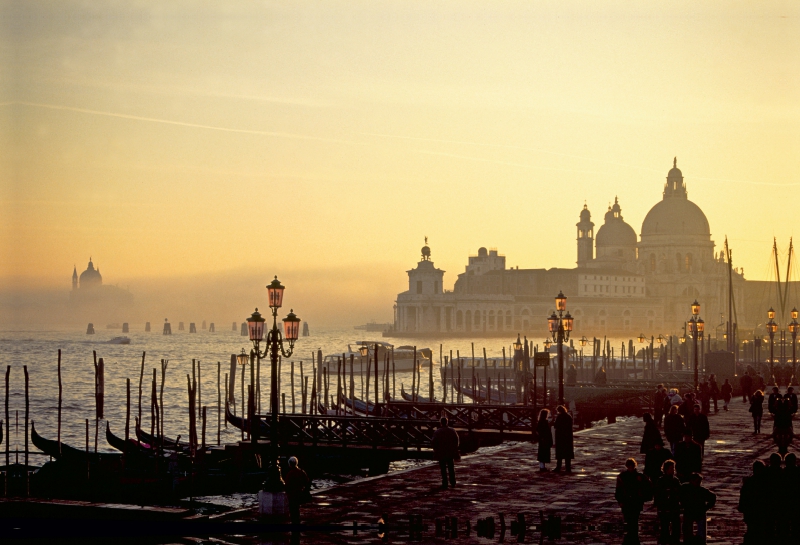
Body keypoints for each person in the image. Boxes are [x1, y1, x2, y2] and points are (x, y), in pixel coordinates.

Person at [615, 458, 653, 545]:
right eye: (629, 466)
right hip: (628, 502)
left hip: (635, 502)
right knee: (629, 520)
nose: (630, 468)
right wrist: (620, 501)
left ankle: (632, 539)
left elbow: (648, 486)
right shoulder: (622, 477)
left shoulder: (638, 476)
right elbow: (619, 491)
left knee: (634, 521)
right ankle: (630, 539)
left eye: (632, 466)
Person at [679, 473, 716, 544]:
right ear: (691, 481)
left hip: (699, 513)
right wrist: (682, 504)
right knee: (687, 534)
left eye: (700, 482)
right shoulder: (685, 488)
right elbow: (678, 496)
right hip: (689, 513)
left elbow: (713, 497)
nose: (699, 483)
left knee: (701, 535)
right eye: (697, 481)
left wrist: (706, 508)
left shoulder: (702, 491)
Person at [738, 460, 768, 545]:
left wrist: (742, 507)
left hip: (752, 511)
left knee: (752, 531)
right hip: (759, 511)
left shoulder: (749, 482)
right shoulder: (765, 482)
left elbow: (743, 496)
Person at [654, 459, 681, 545]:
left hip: (674, 508)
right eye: (671, 468)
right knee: (664, 529)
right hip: (664, 508)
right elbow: (657, 495)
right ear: (665, 469)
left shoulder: (676, 481)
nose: (673, 470)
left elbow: (680, 493)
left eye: (673, 468)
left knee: (676, 529)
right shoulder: (661, 481)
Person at [431, 417, 459, 489]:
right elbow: (456, 440)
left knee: (443, 468)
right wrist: (454, 448)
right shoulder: (452, 430)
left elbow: (434, 442)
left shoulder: (437, 432)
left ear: (441, 423)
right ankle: (453, 482)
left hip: (441, 452)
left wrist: (436, 449)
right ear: (447, 422)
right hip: (450, 451)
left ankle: (445, 483)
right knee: (451, 467)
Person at [284, 456, 311, 526]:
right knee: (297, 509)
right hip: (299, 493)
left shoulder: (290, 474)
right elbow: (307, 482)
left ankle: (295, 523)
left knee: (293, 510)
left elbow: (287, 485)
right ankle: (297, 521)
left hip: (292, 495)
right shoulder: (301, 472)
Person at [553, 405, 574, 473]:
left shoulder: (559, 417)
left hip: (560, 437)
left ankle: (558, 467)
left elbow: (556, 425)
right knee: (567, 453)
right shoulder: (569, 416)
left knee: (560, 453)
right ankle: (568, 468)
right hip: (567, 437)